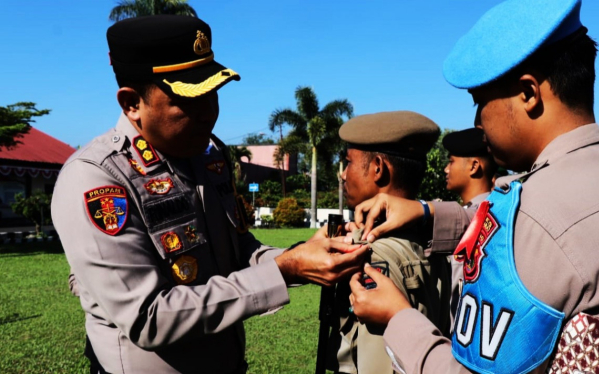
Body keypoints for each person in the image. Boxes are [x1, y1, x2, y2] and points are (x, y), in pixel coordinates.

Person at [347, 0, 599, 373]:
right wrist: (425, 213)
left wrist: (396, 317)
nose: (478, 120)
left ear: (529, 94)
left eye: (480, 102)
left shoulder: (536, 215)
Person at [52, 15, 368, 374]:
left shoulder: (206, 156)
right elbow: (148, 318)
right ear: (131, 103)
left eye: (212, 94)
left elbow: (237, 250)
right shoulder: (96, 179)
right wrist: (285, 270)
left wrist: (301, 256)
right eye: (187, 100)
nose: (209, 114)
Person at [329, 111, 448, 374]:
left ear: (378, 168)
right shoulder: (432, 238)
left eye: (348, 163)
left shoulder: (374, 255)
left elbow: (377, 365)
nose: (343, 175)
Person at [440, 127, 497, 332]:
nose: (446, 169)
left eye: (451, 161)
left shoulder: (490, 217)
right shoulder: (472, 212)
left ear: (474, 166)